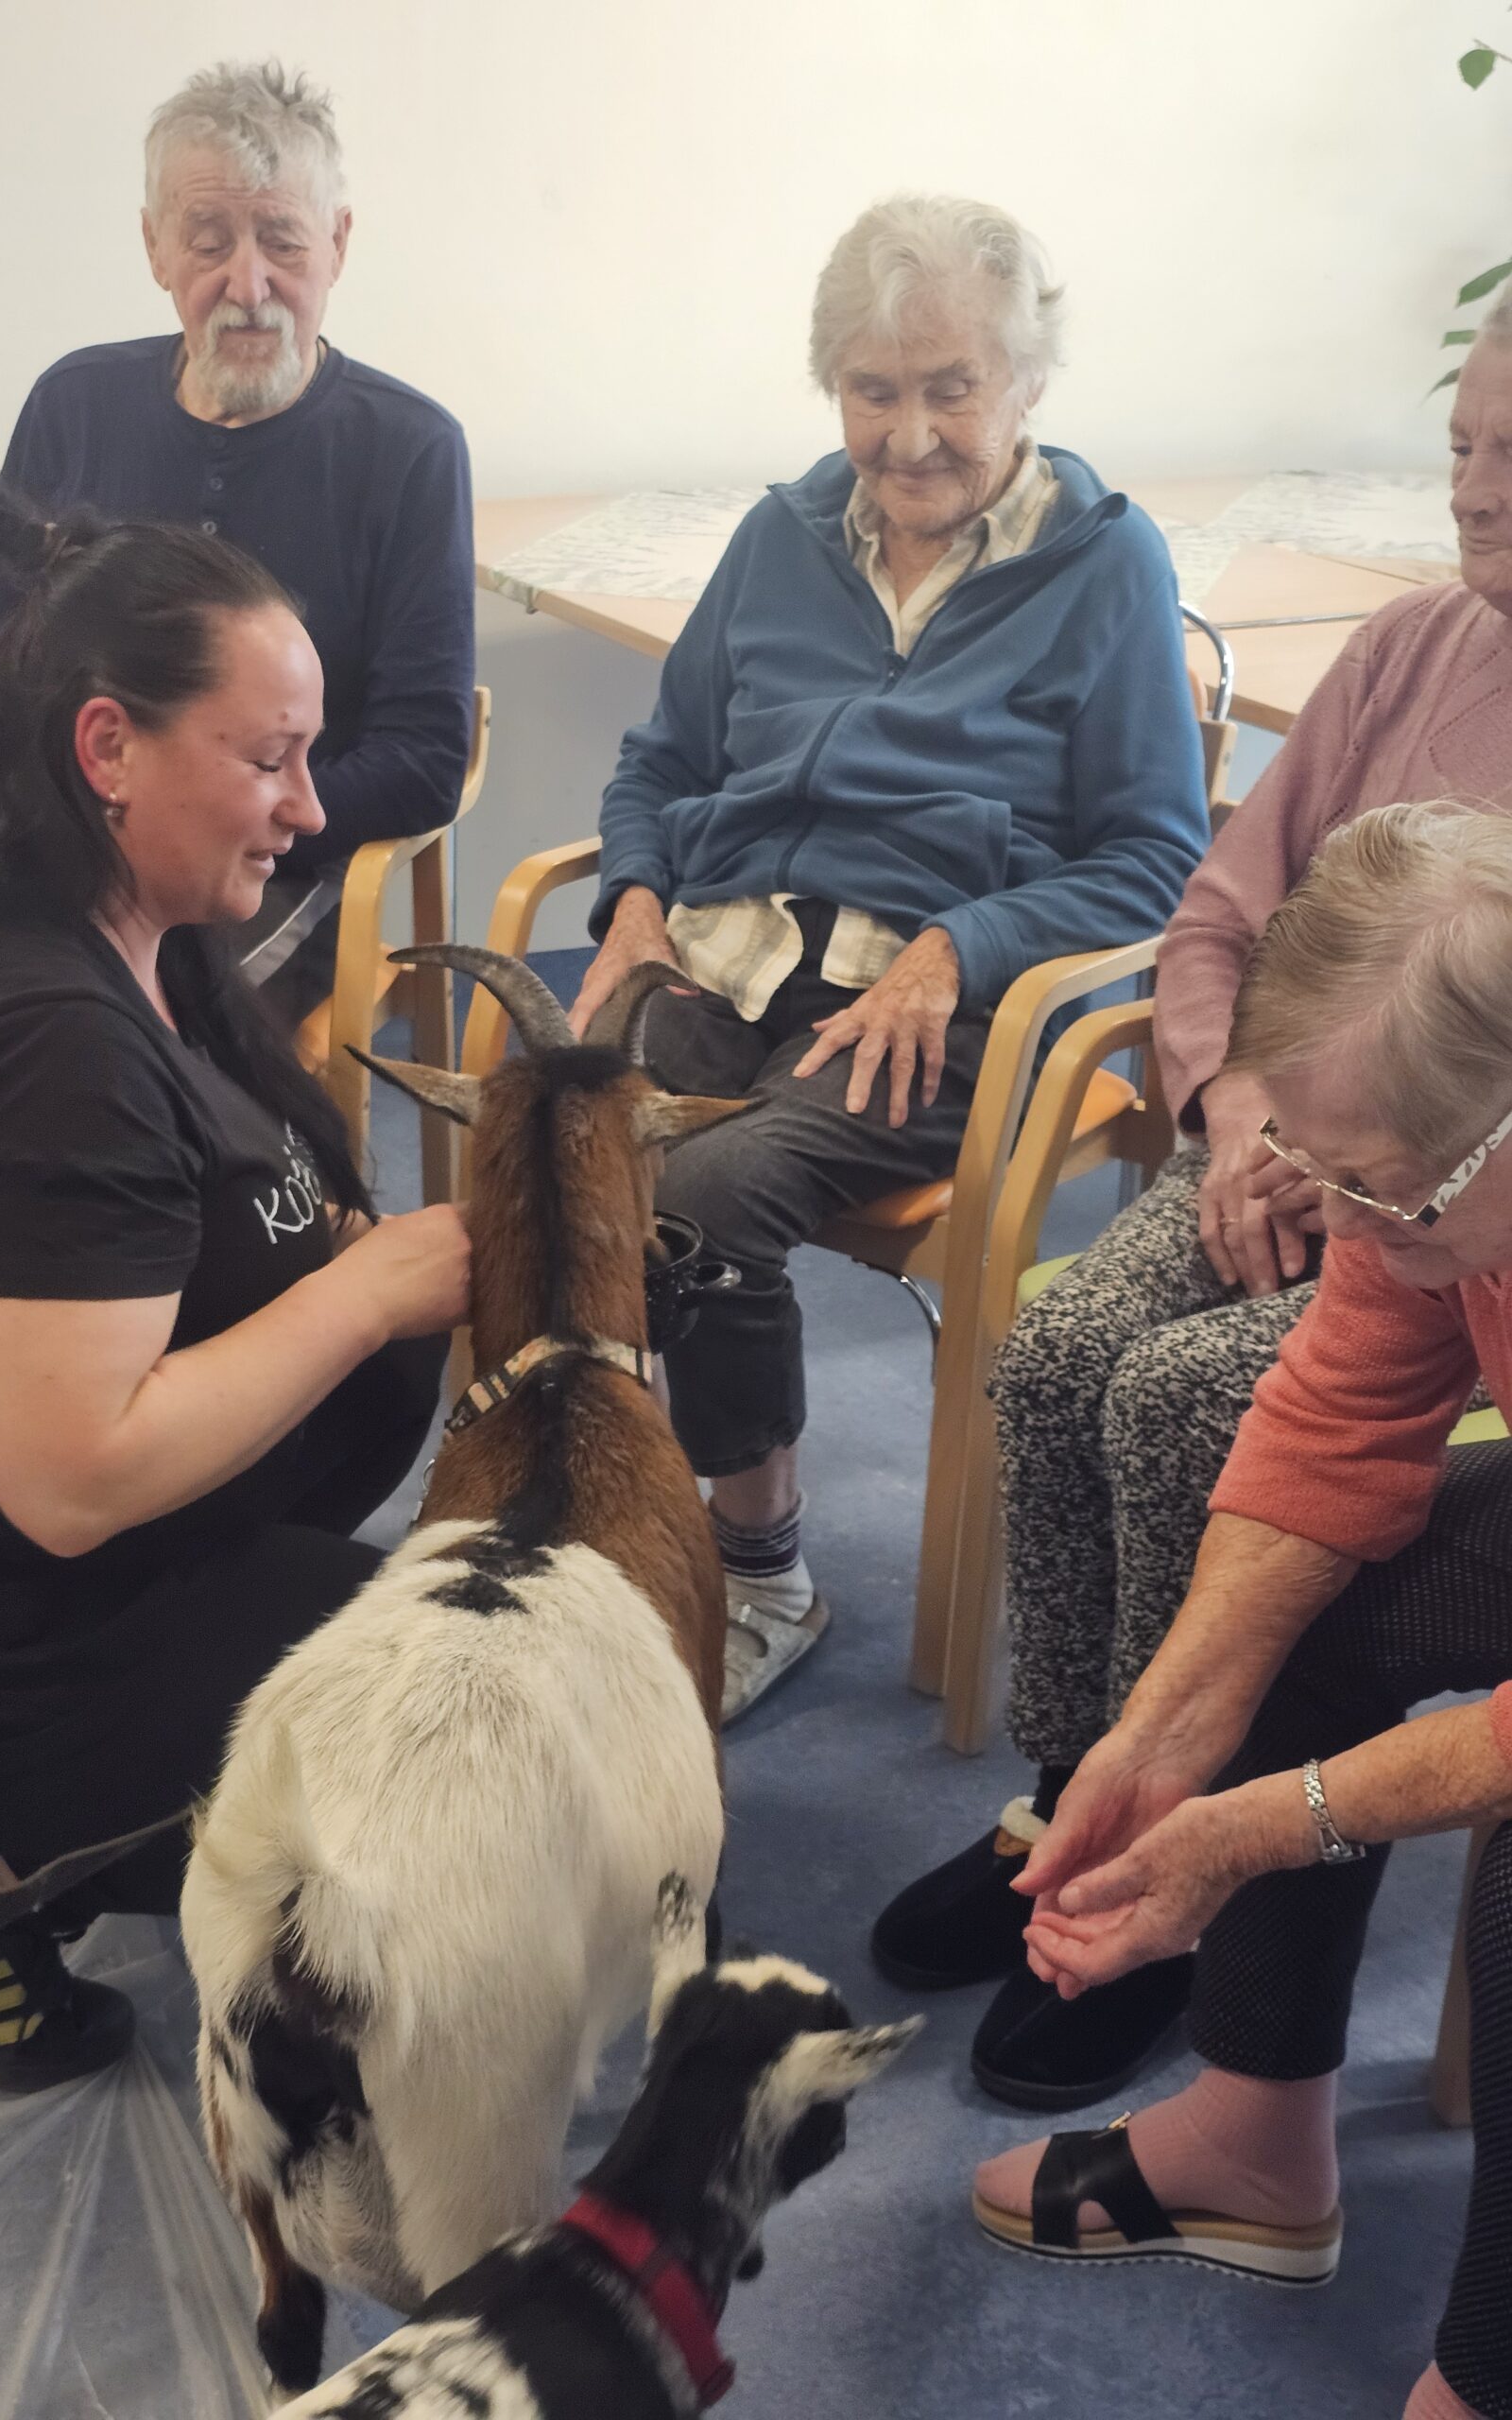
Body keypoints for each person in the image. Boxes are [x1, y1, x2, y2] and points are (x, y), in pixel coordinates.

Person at [0, 496, 468, 2094]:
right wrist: (366, 1291)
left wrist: (347, 1267)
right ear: (109, 746)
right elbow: (74, 1481)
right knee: (440, 1714)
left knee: (379, 1405)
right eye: (270, 760)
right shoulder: (49, 1043)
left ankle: (35, 1831)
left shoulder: (118, 923)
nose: (308, 806)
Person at [868, 307, 1512, 2110]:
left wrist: (1253, 1824)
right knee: (1064, 1346)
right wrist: (1252, 1116)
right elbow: (1223, 911)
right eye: (1460, 447)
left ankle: (1196, 1913)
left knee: (1175, 1404)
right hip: (1302, 1142)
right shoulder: (1410, 647)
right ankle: (1076, 1800)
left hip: (1402, 1183)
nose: (1473, 494)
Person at [570, 193, 1209, 1720]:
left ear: (1028, 384)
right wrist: (635, 900)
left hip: (948, 1006)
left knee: (704, 1193)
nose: (910, 436)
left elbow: (1155, 857)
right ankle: (591, 1514)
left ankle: (763, 1573)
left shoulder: (1106, 566)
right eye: (873, 391)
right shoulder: (781, 538)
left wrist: (959, 947)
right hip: (731, 953)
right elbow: (661, 761)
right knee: (553, 1125)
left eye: (951, 389)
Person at [968, 802, 1512, 2420]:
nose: (1339, 1227)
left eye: (1375, 1191)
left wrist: (1256, 1827)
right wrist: (1161, 1741)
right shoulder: (1431, 1161)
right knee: (1301, 1616)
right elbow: (1334, 1431)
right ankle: (1261, 2139)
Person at [0, 60, 474, 1024]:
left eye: (282, 241)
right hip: (51, 841)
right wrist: (51, 818)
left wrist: (209, 824)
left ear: (338, 243)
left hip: (266, 867)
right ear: (155, 247)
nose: (247, 285)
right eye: (209, 242)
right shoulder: (75, 404)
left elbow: (423, 755)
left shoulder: (410, 449)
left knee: (71, 1034)